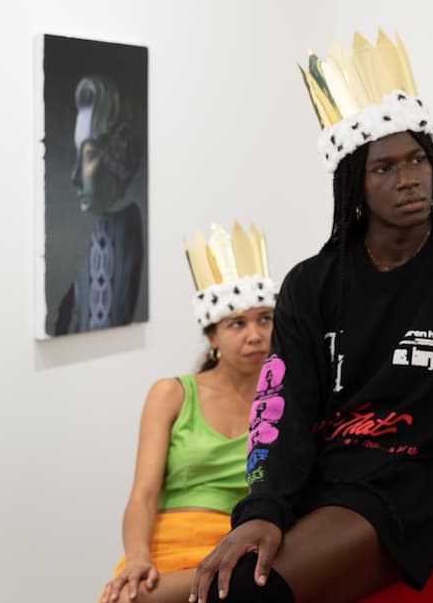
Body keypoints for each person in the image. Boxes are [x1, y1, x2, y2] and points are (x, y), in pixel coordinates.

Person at [190, 30, 433, 603]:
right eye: (384, 168)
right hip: (322, 479)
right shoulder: (312, 282)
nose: (408, 178)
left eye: (418, 160)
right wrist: (260, 511)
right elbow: (285, 409)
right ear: (353, 181)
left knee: (244, 593)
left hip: (410, 487)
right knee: (225, 580)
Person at [100, 223, 277, 603]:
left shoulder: (285, 401)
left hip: (237, 545)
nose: (254, 335)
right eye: (237, 323)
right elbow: (143, 496)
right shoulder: (172, 394)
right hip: (166, 544)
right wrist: (136, 559)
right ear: (212, 336)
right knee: (132, 597)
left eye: (265, 318)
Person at [55, 74, 146, 334]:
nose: (75, 176)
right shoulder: (80, 245)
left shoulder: (129, 233)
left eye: (90, 154)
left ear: (118, 159)